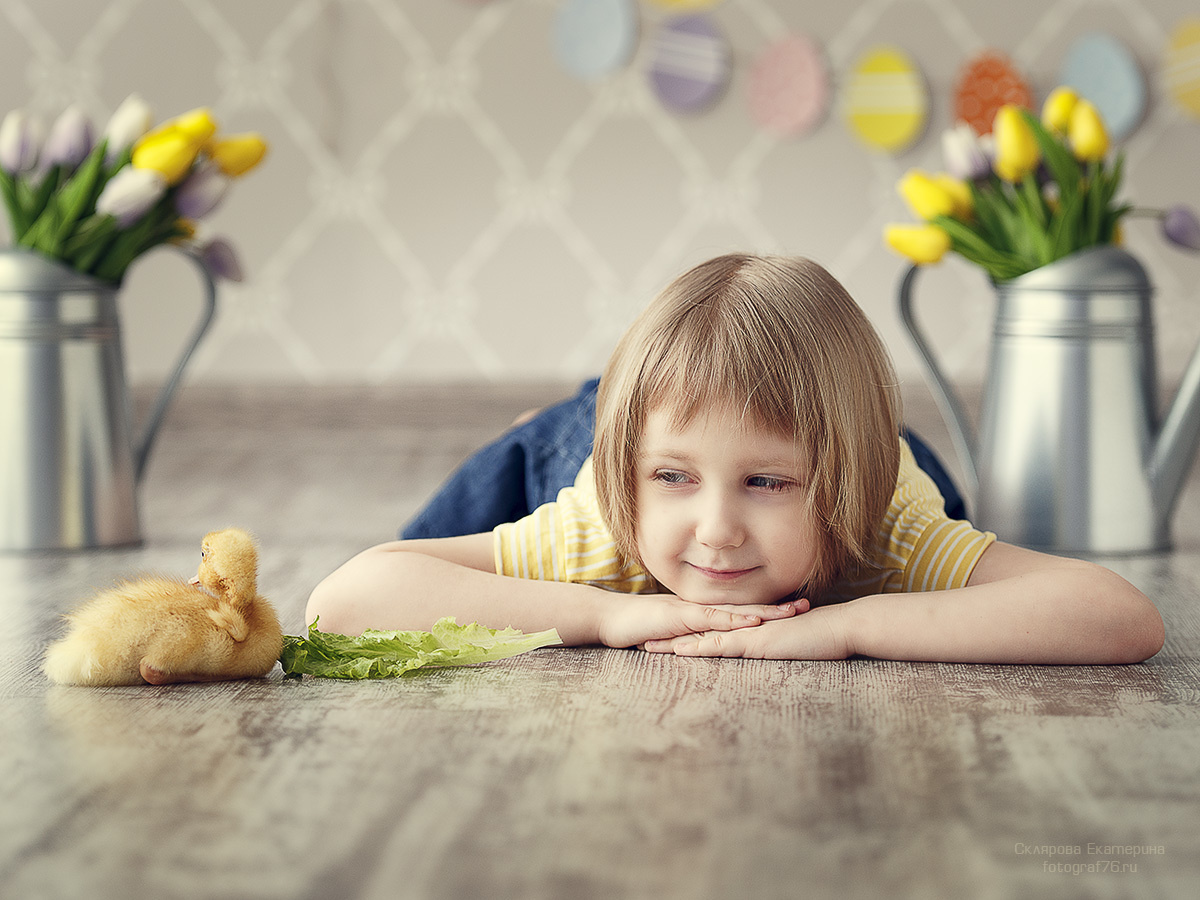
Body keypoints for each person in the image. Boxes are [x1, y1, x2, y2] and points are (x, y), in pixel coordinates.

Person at [307, 253, 1164, 664]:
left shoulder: (884, 526)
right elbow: (344, 599)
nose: (714, 530)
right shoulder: (603, 524)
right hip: (590, 449)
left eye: (767, 482)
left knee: (925, 468)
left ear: (844, 486)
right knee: (546, 449)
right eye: (677, 477)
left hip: (878, 454)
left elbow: (1122, 617)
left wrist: (848, 627)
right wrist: (603, 615)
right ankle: (576, 417)